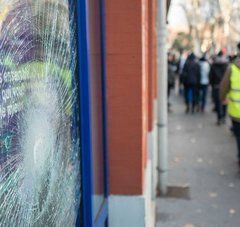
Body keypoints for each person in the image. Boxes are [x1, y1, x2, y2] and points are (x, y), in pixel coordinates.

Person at [220, 42, 240, 168]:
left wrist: (223, 99)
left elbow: (223, 87)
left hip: (236, 112)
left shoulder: (232, 68)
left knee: (239, 139)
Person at [210, 51, 228, 125]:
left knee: (218, 103)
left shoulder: (214, 65)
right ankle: (223, 116)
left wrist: (212, 84)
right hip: (225, 87)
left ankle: (219, 118)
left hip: (216, 86)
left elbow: (211, 76)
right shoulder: (226, 65)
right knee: (224, 102)